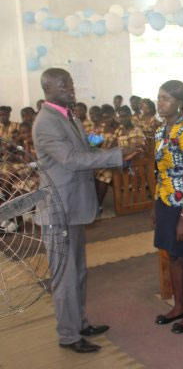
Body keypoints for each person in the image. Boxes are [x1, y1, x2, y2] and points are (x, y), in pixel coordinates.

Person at [32, 68, 140, 353]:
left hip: (73, 206)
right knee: (64, 276)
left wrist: (119, 154)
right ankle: (68, 335)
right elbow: (71, 160)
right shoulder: (46, 121)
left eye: (71, 82)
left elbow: (86, 153)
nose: (71, 87)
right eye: (64, 84)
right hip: (59, 209)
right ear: (48, 88)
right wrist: (116, 155)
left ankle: (79, 322)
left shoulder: (68, 115)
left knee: (78, 271)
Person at [152, 80, 183, 333]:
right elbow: (159, 171)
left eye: (166, 98)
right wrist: (155, 206)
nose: (160, 103)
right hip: (164, 200)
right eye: (159, 97)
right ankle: (179, 306)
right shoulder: (160, 131)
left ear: (180, 103)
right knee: (172, 255)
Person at [94, 105, 120, 212]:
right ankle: (94, 201)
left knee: (105, 173)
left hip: (115, 159)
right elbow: (92, 143)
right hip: (101, 157)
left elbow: (119, 146)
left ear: (113, 115)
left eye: (108, 117)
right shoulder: (101, 127)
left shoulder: (120, 127)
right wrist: (96, 143)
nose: (107, 120)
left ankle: (98, 205)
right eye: (104, 118)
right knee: (91, 171)